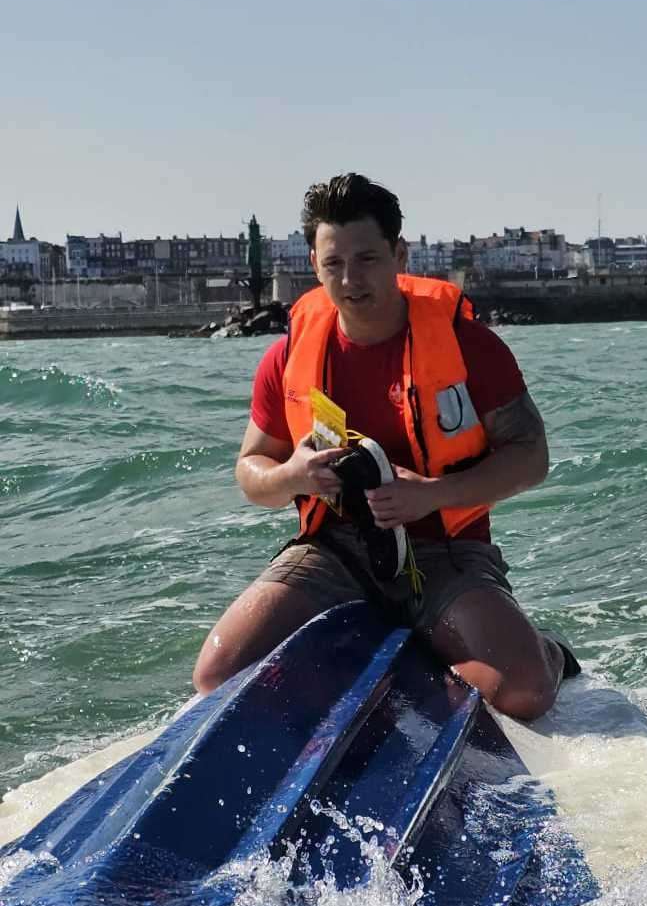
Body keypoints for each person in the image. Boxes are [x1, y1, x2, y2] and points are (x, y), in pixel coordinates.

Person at [192, 173, 566, 719]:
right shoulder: (287, 357)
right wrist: (292, 475)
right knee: (218, 677)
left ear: (398, 253)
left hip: (446, 550)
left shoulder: (469, 348)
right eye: (332, 264)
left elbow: (532, 455)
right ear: (314, 265)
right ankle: (370, 645)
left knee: (523, 693)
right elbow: (250, 470)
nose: (349, 279)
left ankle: (546, 651)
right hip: (335, 549)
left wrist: (435, 493)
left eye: (366, 259)